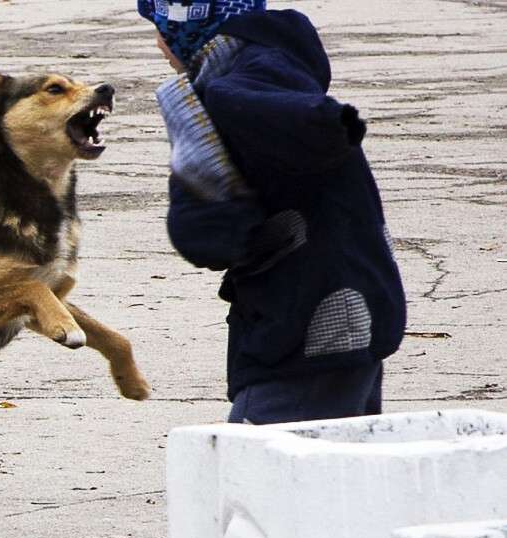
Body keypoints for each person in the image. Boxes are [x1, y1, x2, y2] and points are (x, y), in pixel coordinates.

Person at [138, 1, 407, 424]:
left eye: (156, 28)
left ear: (180, 31)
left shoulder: (231, 92)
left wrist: (193, 135)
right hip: (354, 308)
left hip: (310, 331)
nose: (156, 44)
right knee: (344, 475)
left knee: (249, 475)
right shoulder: (273, 62)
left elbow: (209, 237)